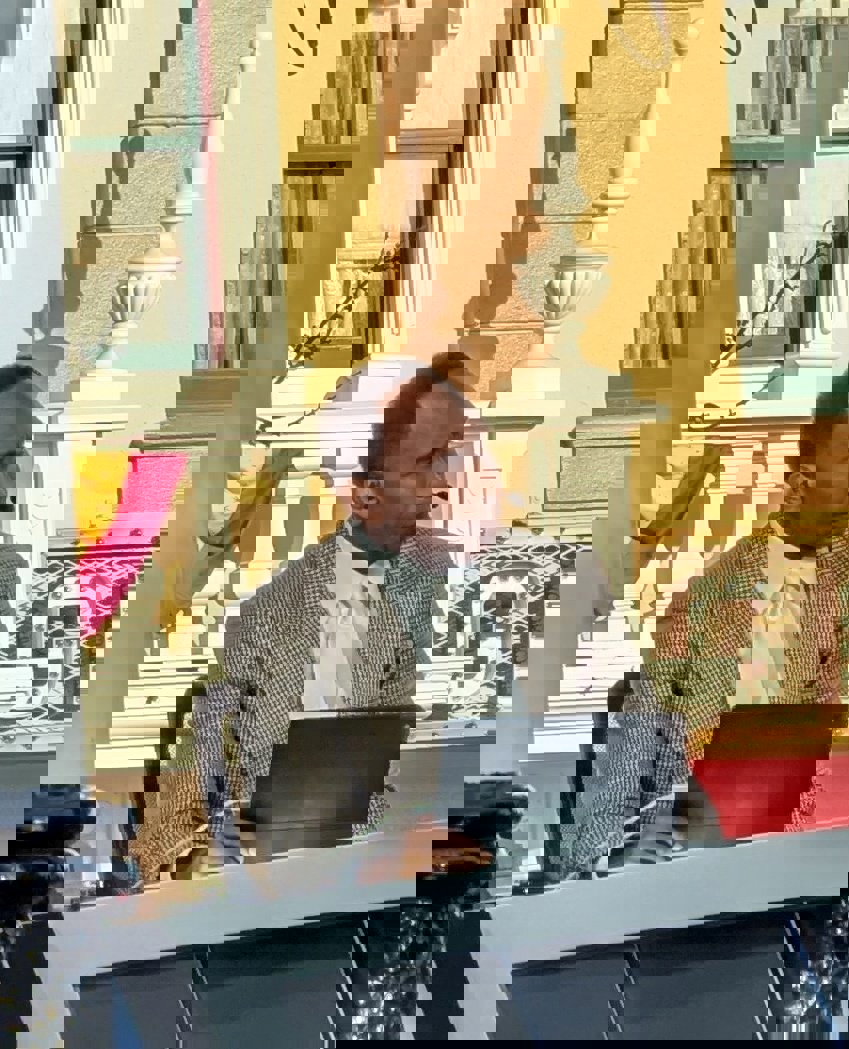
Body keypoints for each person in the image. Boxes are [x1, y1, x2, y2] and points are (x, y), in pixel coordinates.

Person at [129, 350, 487, 885]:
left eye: (459, 455)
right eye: (429, 461)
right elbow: (289, 823)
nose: (451, 483)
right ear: (364, 494)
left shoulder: (458, 586)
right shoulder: (308, 612)